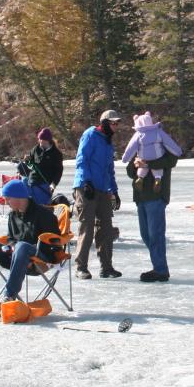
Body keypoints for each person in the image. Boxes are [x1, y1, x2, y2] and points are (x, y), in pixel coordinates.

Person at [0, 179, 60, 306]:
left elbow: (53, 244)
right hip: (17, 257)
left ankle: (9, 295)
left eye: (8, 198)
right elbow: (12, 239)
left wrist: (27, 254)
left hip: (39, 260)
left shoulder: (45, 215)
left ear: (19, 197)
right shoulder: (13, 216)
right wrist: (9, 247)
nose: (6, 202)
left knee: (21, 246)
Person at [72, 110, 123, 280]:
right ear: (105, 123)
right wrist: (86, 182)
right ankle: (81, 267)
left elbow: (110, 169)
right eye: (113, 123)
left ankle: (106, 267)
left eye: (117, 123)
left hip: (103, 189)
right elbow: (82, 159)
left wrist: (114, 190)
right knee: (87, 226)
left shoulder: (108, 143)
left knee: (106, 228)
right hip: (86, 188)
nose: (116, 126)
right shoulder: (90, 135)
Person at [126, 150, 178, 282]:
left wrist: (147, 163)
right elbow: (130, 172)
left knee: (155, 235)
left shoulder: (162, 141)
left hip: (156, 196)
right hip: (140, 197)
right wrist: (136, 165)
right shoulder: (138, 144)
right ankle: (160, 267)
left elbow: (172, 160)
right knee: (146, 235)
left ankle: (160, 270)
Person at [121, 111, 183, 192]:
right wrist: (178, 151)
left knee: (142, 166)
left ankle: (140, 177)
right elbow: (170, 143)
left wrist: (126, 159)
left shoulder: (138, 135)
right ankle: (157, 179)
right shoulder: (158, 132)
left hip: (143, 158)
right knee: (157, 168)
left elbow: (130, 148)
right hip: (157, 157)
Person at [19, 127, 64, 206]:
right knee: (29, 206)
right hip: (32, 181)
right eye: (40, 140)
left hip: (45, 185)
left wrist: (53, 184)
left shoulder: (56, 153)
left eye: (43, 141)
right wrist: (26, 160)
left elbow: (59, 171)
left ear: (48, 141)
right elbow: (30, 164)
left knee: (42, 208)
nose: (41, 142)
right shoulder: (36, 149)